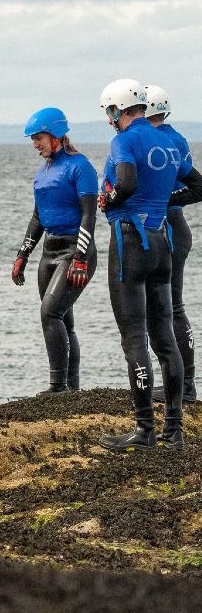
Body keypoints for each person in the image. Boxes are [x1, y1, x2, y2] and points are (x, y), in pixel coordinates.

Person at [97, 80, 202, 452]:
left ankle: (144, 431)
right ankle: (174, 431)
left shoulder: (124, 141)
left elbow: (125, 183)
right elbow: (199, 185)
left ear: (117, 110)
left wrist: (109, 200)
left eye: (108, 112)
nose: (109, 119)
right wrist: (163, 199)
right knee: (166, 338)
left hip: (130, 241)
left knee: (134, 340)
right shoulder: (169, 142)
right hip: (162, 241)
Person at [11, 108, 98, 394]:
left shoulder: (80, 166)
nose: (34, 144)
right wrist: (24, 254)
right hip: (49, 250)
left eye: (38, 138)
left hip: (75, 249)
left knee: (50, 313)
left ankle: (58, 386)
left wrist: (81, 259)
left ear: (55, 135)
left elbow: (89, 215)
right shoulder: (43, 171)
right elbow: (38, 217)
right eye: (32, 139)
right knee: (62, 318)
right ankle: (72, 388)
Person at [143, 85, 197, 403]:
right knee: (170, 308)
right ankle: (183, 383)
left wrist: (161, 201)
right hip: (174, 226)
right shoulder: (174, 136)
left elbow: (194, 187)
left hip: (171, 227)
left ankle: (185, 385)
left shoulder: (162, 140)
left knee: (172, 309)